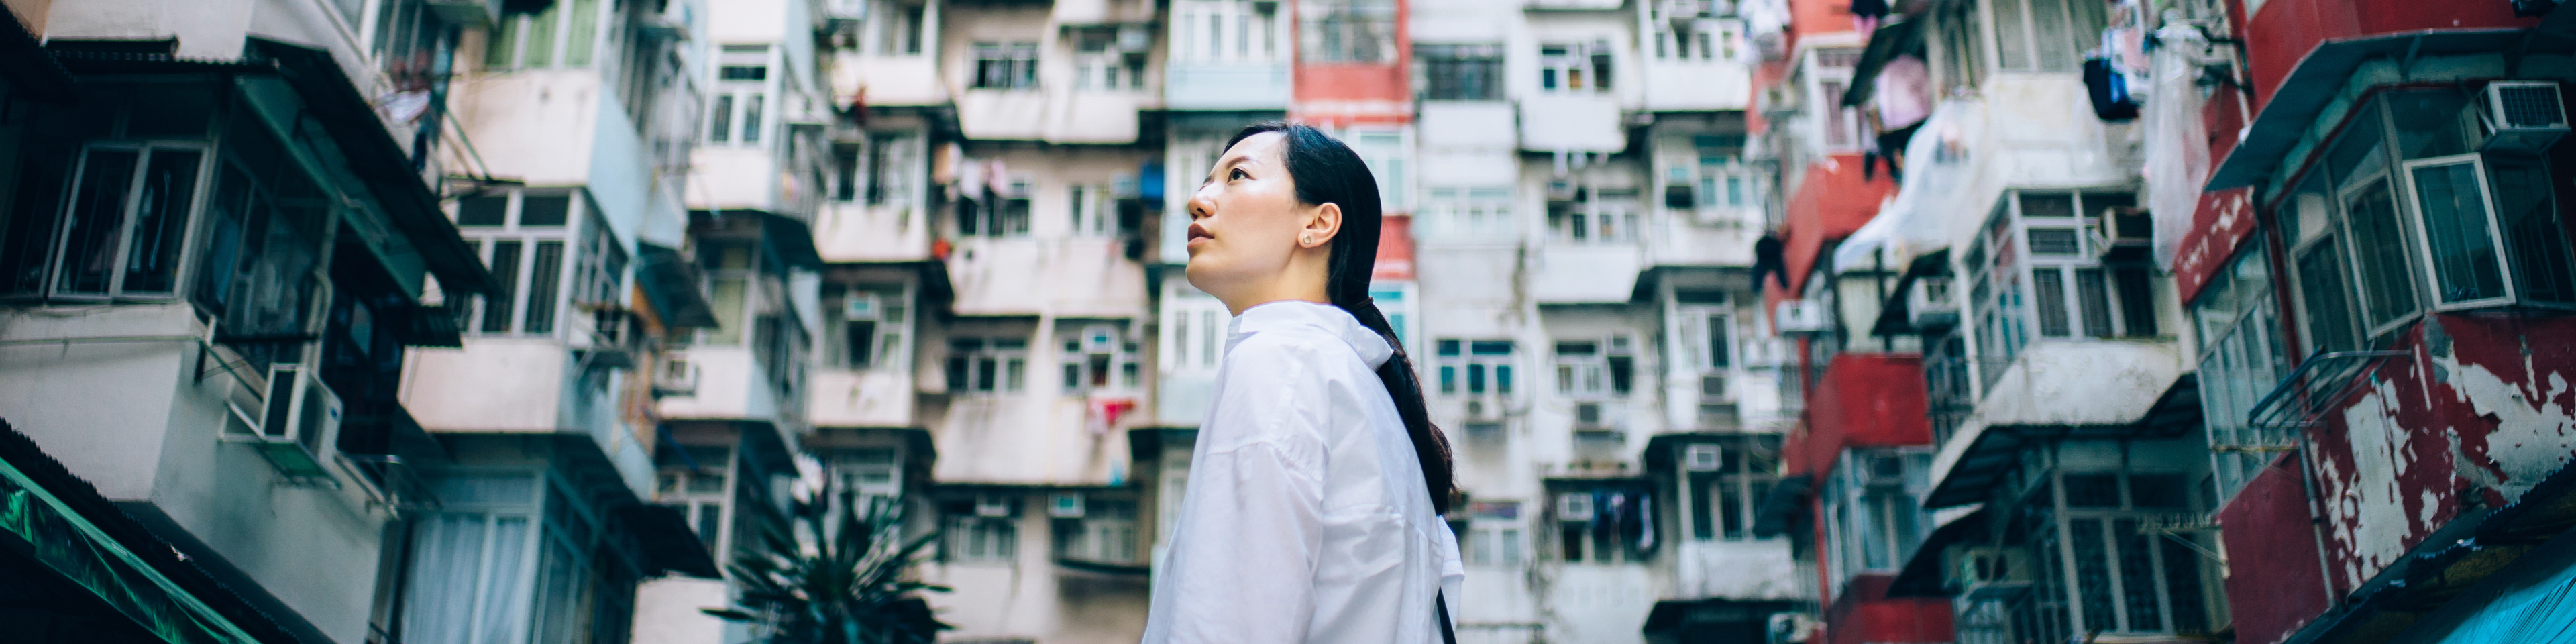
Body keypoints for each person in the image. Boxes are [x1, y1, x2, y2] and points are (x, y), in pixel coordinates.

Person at [1139, 121, 1464, 644]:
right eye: (1207, 181)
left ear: (1317, 224)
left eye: (1237, 176)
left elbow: (1228, 627)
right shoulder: (1363, 393)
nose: (1197, 201)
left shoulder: (1278, 363)